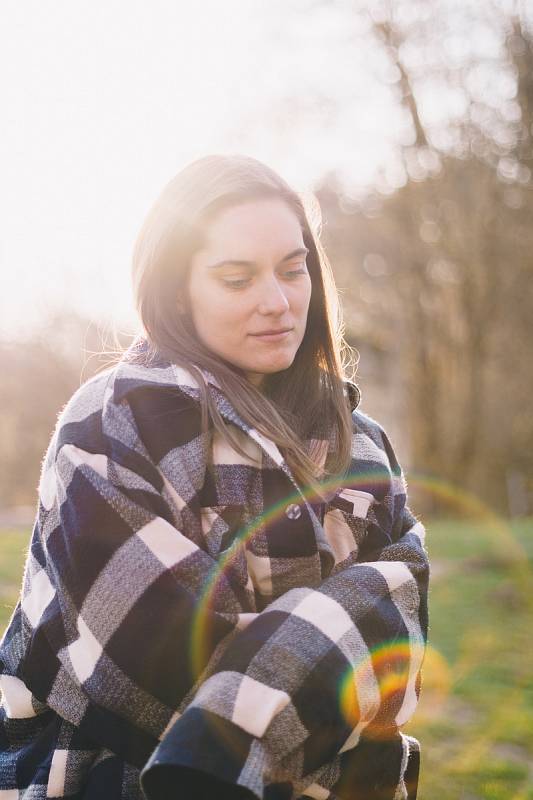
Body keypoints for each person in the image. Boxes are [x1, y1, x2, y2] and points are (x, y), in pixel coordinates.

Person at [0, 154, 429, 800]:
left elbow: (394, 633)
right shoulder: (109, 426)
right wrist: (341, 746)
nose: (278, 302)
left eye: (293, 269)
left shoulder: (361, 444)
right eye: (237, 279)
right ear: (177, 289)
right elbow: (154, 677)